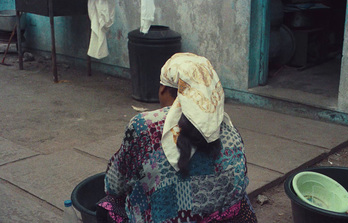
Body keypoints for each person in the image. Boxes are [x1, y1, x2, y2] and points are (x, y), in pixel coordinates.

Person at [97, 52, 257, 223]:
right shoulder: (230, 131)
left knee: (111, 202)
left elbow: (115, 184)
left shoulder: (144, 127)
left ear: (163, 88)